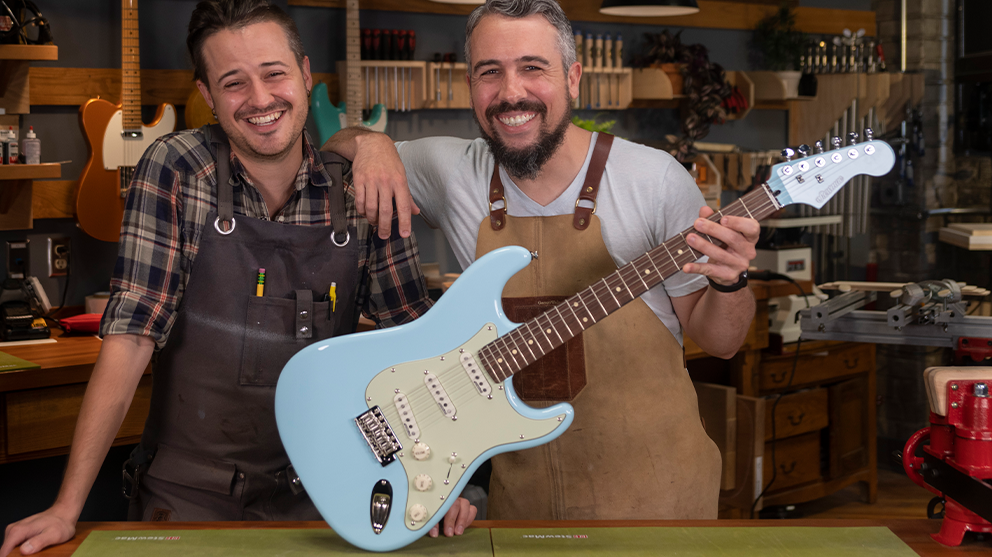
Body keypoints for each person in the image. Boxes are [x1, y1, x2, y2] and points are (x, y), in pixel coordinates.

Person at [0, 2, 475, 555]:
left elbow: (420, 349)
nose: (260, 99)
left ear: (304, 74)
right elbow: (130, 337)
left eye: (274, 73)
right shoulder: (176, 169)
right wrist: (66, 509)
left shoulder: (361, 189)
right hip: (188, 495)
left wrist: (445, 477)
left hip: (331, 491)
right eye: (233, 82)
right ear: (206, 94)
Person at [322, 0, 760, 521]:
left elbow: (723, 341)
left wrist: (731, 283)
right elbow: (336, 144)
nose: (511, 93)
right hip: (524, 509)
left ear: (572, 77)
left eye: (533, 68)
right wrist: (373, 145)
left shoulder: (655, 180)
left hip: (658, 501)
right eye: (491, 72)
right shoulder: (452, 170)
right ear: (470, 85)